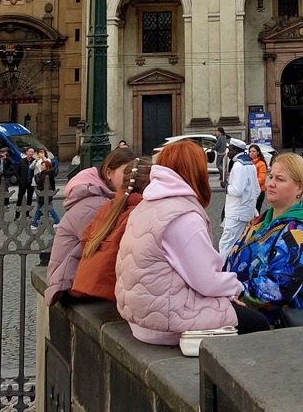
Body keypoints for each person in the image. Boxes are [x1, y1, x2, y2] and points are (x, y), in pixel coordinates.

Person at [116, 141, 268, 343]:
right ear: (194, 172)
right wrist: (237, 287)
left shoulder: (148, 204)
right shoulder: (182, 215)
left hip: (143, 315)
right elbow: (206, 281)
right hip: (166, 321)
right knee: (259, 323)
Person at [225, 153, 303, 328]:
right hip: (249, 321)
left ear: (299, 188)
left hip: (279, 330)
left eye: (280, 179)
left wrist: (237, 290)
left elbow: (284, 285)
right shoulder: (259, 222)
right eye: (271, 176)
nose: (271, 183)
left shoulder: (297, 232)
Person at [45, 146, 133, 305]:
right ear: (108, 173)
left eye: (133, 174)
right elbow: (102, 249)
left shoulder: (98, 197)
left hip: (72, 277)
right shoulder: (95, 203)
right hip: (71, 284)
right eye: (126, 172)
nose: (130, 179)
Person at [72, 158, 154, 301]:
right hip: (108, 288)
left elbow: (86, 237)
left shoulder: (110, 205)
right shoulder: (139, 213)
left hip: (88, 281)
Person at [219, 139, 261, 256]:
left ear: (236, 150)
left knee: (226, 244)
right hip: (246, 211)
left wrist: (226, 186)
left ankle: (224, 270)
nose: (228, 152)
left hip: (236, 212)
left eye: (230, 149)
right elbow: (256, 190)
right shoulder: (251, 164)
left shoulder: (238, 165)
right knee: (241, 243)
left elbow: (237, 191)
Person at [32, 149, 60, 228]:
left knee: (46, 208)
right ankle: (35, 223)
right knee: (44, 208)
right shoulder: (44, 174)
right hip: (45, 193)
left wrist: (39, 190)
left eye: (43, 165)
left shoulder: (46, 175)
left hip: (45, 193)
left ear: (46, 166)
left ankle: (35, 223)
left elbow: (43, 184)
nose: (41, 166)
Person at [15, 147, 37, 216]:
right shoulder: (22, 161)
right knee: (20, 198)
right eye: (30, 152)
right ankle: (17, 214)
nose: (31, 153)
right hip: (23, 182)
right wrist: (19, 180)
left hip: (31, 182)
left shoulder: (35, 161)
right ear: (26, 152)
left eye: (32, 152)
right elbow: (17, 172)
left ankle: (27, 213)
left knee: (29, 198)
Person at [248, 143, 268, 214]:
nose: (251, 153)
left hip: (259, 190)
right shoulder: (248, 163)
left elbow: (262, 178)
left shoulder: (261, 163)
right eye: (250, 151)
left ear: (258, 152)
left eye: (253, 151)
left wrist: (252, 185)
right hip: (250, 190)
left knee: (257, 210)